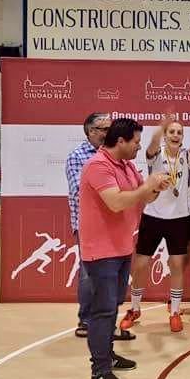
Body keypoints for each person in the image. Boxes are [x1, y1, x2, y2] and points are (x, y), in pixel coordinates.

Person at [78, 118, 168, 379]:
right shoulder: (98, 166)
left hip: (120, 248)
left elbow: (144, 198)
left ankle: (108, 356)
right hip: (101, 251)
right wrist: (145, 187)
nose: (139, 147)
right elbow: (116, 202)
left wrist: (155, 187)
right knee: (102, 311)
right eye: (136, 142)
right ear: (120, 141)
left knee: (112, 306)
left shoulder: (126, 166)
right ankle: (100, 371)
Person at [124, 109, 190, 334]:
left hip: (179, 219)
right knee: (140, 264)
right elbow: (152, 142)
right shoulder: (155, 155)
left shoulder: (187, 156)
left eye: (179, 132)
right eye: (172, 131)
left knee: (177, 265)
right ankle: (135, 308)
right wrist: (161, 126)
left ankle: (175, 311)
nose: (175, 135)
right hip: (153, 216)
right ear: (166, 135)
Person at [66, 113, 138, 340]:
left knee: (113, 290)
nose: (107, 132)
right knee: (90, 279)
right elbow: (86, 193)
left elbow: (128, 191)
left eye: (110, 128)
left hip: (116, 231)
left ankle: (106, 329)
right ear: (90, 131)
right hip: (91, 229)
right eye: (103, 128)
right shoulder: (83, 159)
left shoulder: (120, 161)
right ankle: (87, 322)